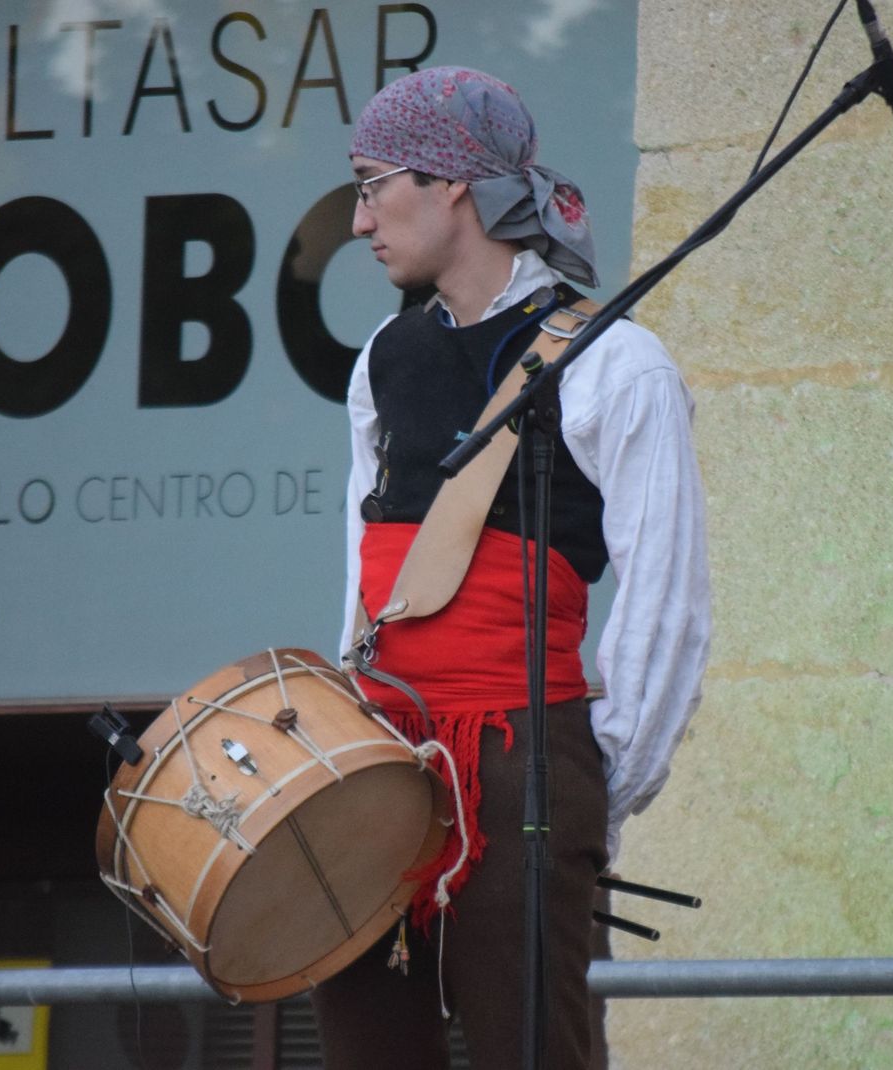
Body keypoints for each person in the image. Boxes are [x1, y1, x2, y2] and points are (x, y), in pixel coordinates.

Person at [312, 66, 710, 1070]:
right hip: (382, 751)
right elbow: (363, 581)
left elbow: (666, 600)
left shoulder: (617, 362)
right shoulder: (380, 360)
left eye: (371, 183)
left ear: (451, 183)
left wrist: (593, 783)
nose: (360, 220)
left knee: (531, 1052)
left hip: (524, 753)